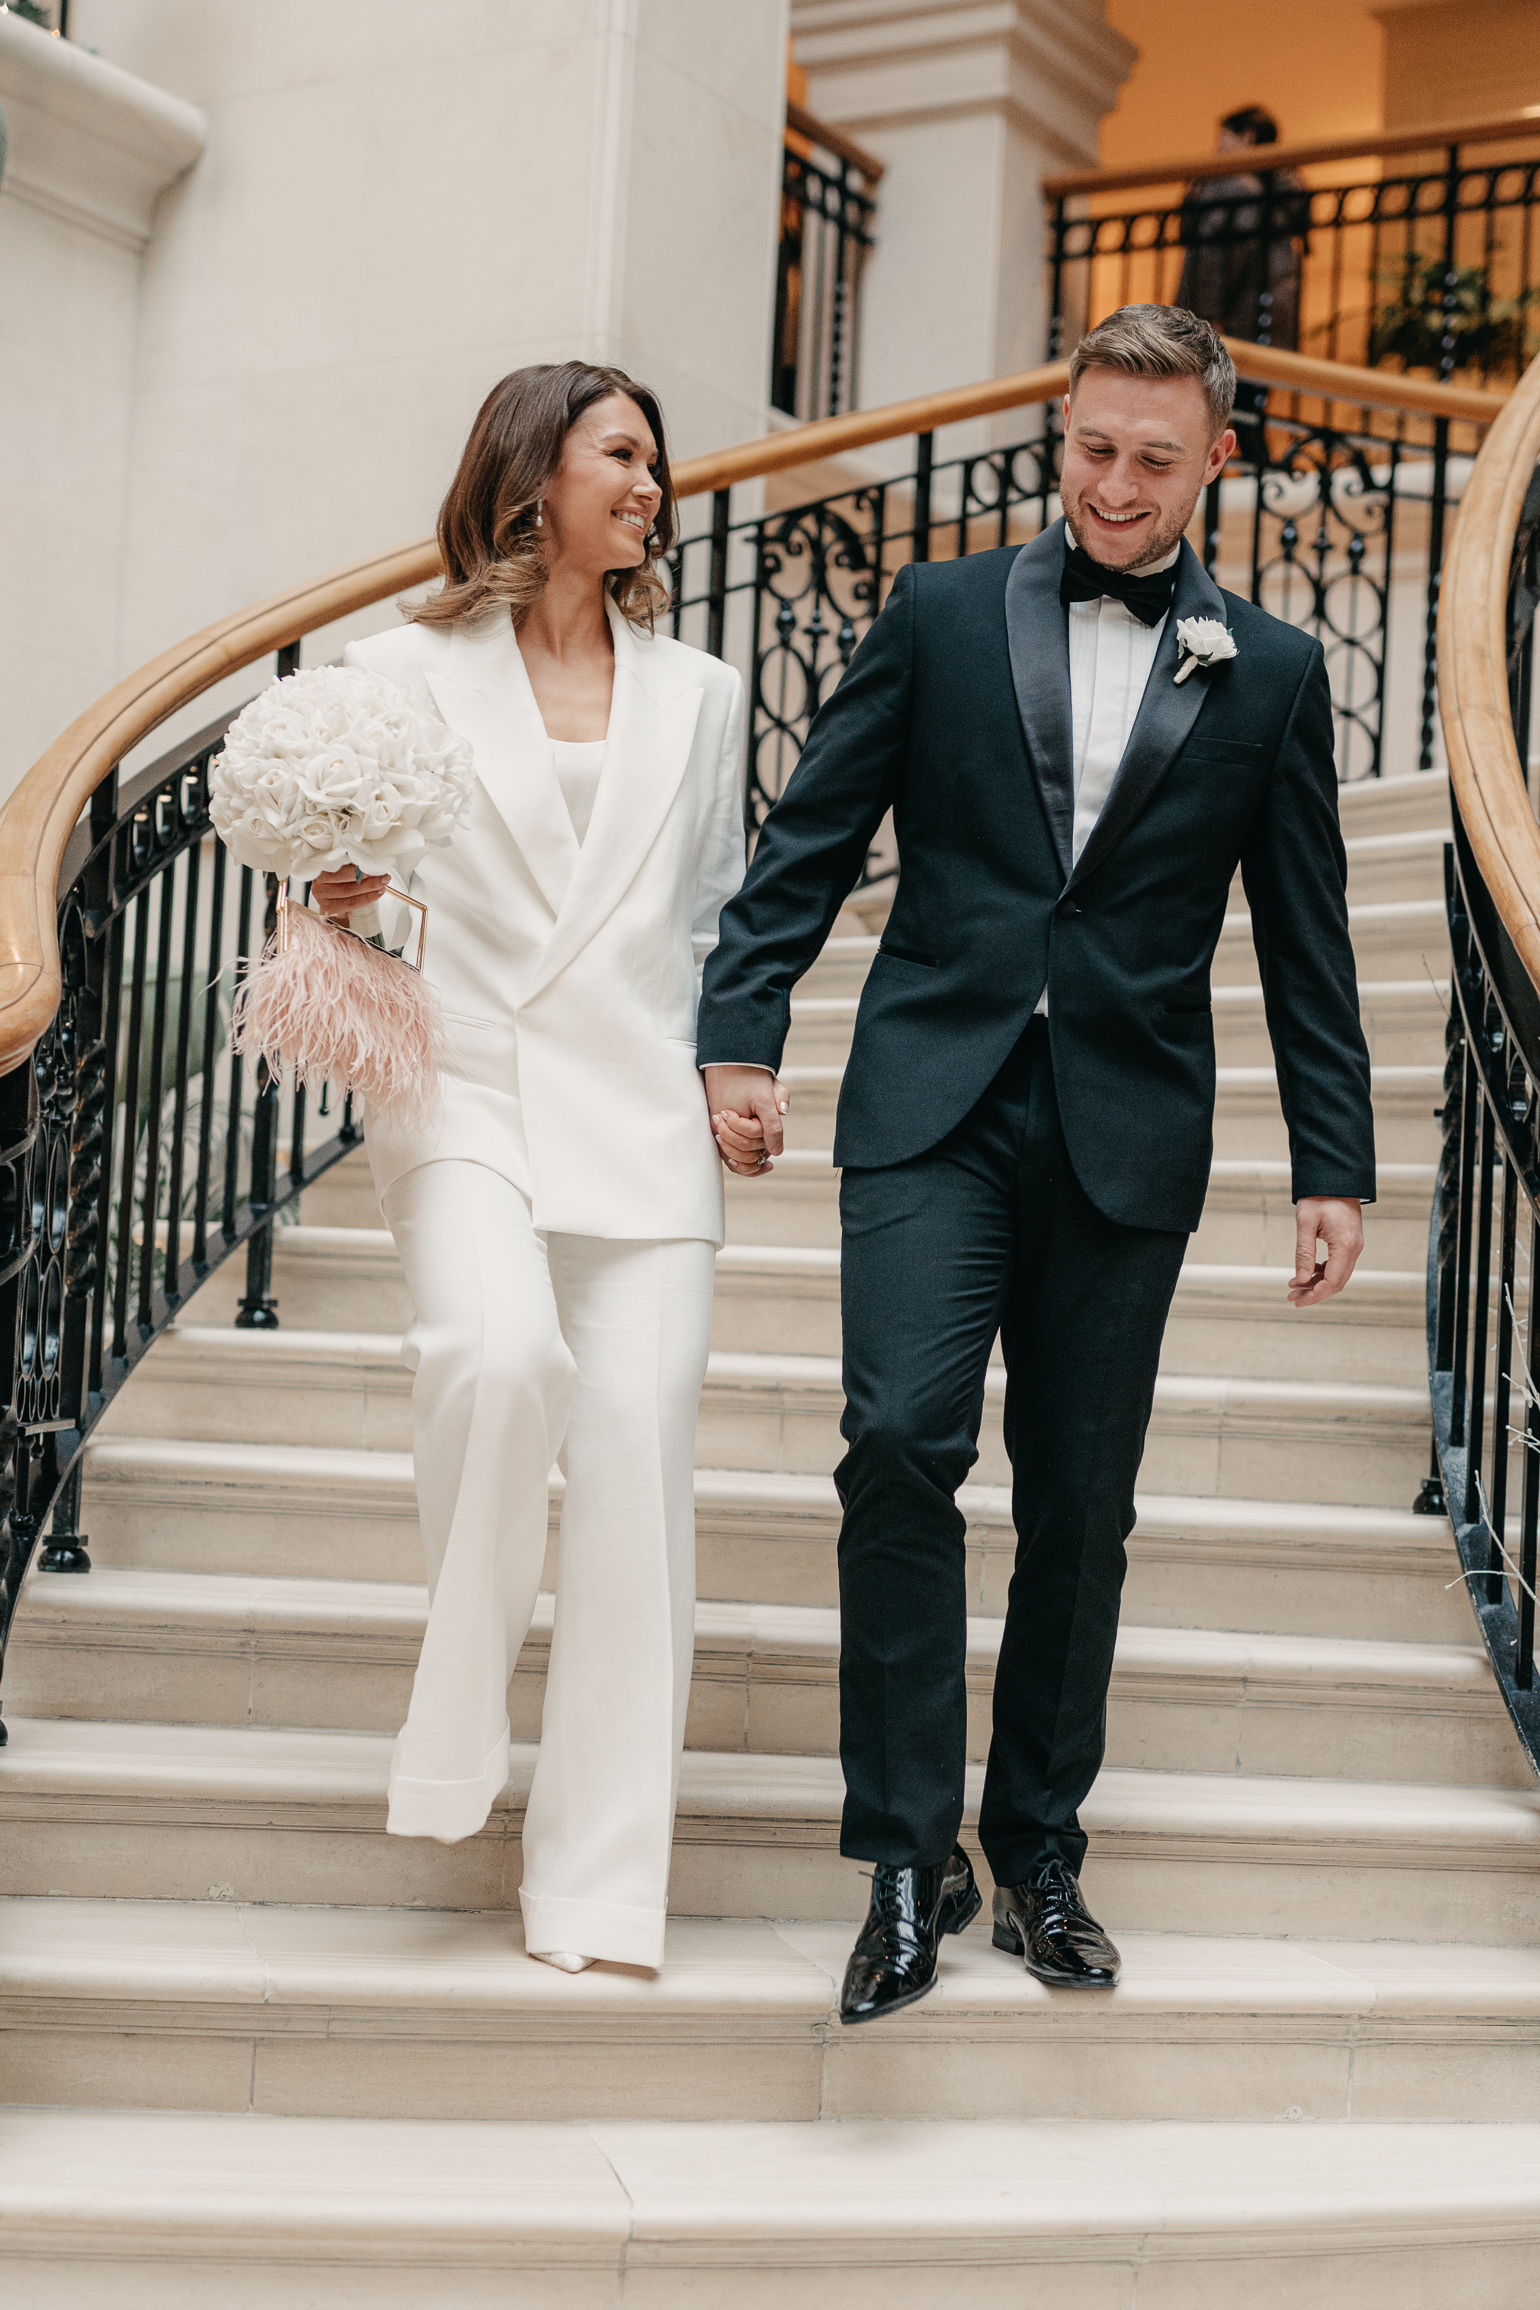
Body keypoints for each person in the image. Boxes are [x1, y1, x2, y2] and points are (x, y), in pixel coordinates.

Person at [699, 304, 1374, 2024]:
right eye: (1093, 450)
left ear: (1217, 460)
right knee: (900, 1445)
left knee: (1083, 1507)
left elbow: (1308, 934)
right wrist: (741, 1031)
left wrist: (1333, 1158)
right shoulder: (936, 612)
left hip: (1126, 1128)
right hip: (932, 1100)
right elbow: (810, 837)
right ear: (1059, 435)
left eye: (1157, 458)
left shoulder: (1272, 671)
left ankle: (1042, 1848)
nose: (1118, 487)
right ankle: (906, 1862)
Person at [311, 361, 746, 1975]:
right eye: (621, 454)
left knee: (635, 1471)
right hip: (468, 1081)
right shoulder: (400, 668)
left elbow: (711, 917)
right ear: (535, 472)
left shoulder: (700, 696)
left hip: (642, 1111)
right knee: (498, 1366)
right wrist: (338, 894)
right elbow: (332, 883)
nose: (651, 484)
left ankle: (599, 1889)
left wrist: (735, 1070)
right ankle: (455, 1729)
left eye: (655, 461)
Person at [1177, 105, 1308, 353]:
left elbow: (1220, 256)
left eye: (1224, 138)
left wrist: (1212, 313)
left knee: (1220, 383)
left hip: (1229, 316)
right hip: (1266, 311)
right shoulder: (1282, 187)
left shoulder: (1235, 189)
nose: (1218, 148)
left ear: (1248, 136)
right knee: (1253, 381)